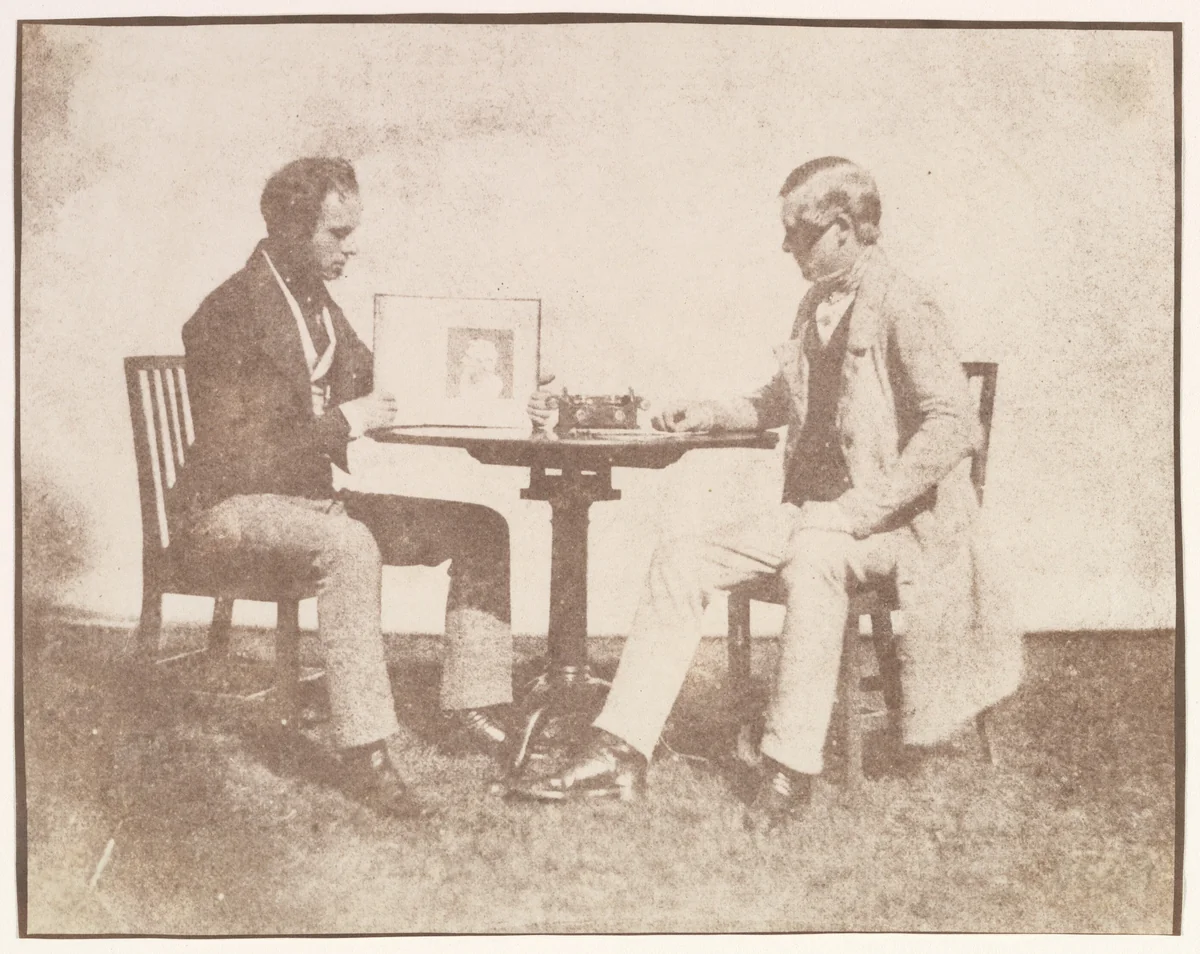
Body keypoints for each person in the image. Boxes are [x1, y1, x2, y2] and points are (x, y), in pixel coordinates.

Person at [524, 157, 1023, 831]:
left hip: (900, 529)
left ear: (844, 228)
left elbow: (952, 424)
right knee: (682, 556)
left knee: (816, 555)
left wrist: (857, 511)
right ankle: (620, 754)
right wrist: (710, 412)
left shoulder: (906, 303)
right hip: (814, 515)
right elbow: (779, 400)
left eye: (799, 230)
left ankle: (789, 768)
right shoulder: (815, 303)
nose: (786, 245)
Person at [175, 157, 514, 820]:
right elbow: (235, 454)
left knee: (480, 527)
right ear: (290, 229)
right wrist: (343, 421)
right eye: (336, 233)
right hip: (223, 512)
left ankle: (474, 705)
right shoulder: (223, 314)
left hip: (306, 502)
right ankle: (366, 753)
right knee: (349, 544)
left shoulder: (318, 305)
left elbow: (384, 376)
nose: (349, 247)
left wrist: (508, 387)